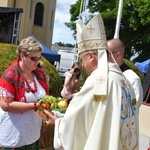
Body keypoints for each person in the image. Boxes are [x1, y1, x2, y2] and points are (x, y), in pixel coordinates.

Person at [44, 14, 139, 150]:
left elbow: (78, 125)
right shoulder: (122, 78)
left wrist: (58, 123)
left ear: (91, 56)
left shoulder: (98, 81)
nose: (82, 65)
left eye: (82, 59)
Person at [0, 37, 49, 149]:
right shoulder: (9, 75)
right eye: (33, 58)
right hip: (12, 138)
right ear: (22, 56)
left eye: (39, 58)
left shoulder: (39, 74)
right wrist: (35, 106)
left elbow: (43, 96)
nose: (37, 62)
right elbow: (6, 105)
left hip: (32, 136)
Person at [107, 38, 143, 108]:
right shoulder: (104, 74)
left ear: (117, 55)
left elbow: (133, 107)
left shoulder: (131, 78)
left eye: (106, 53)